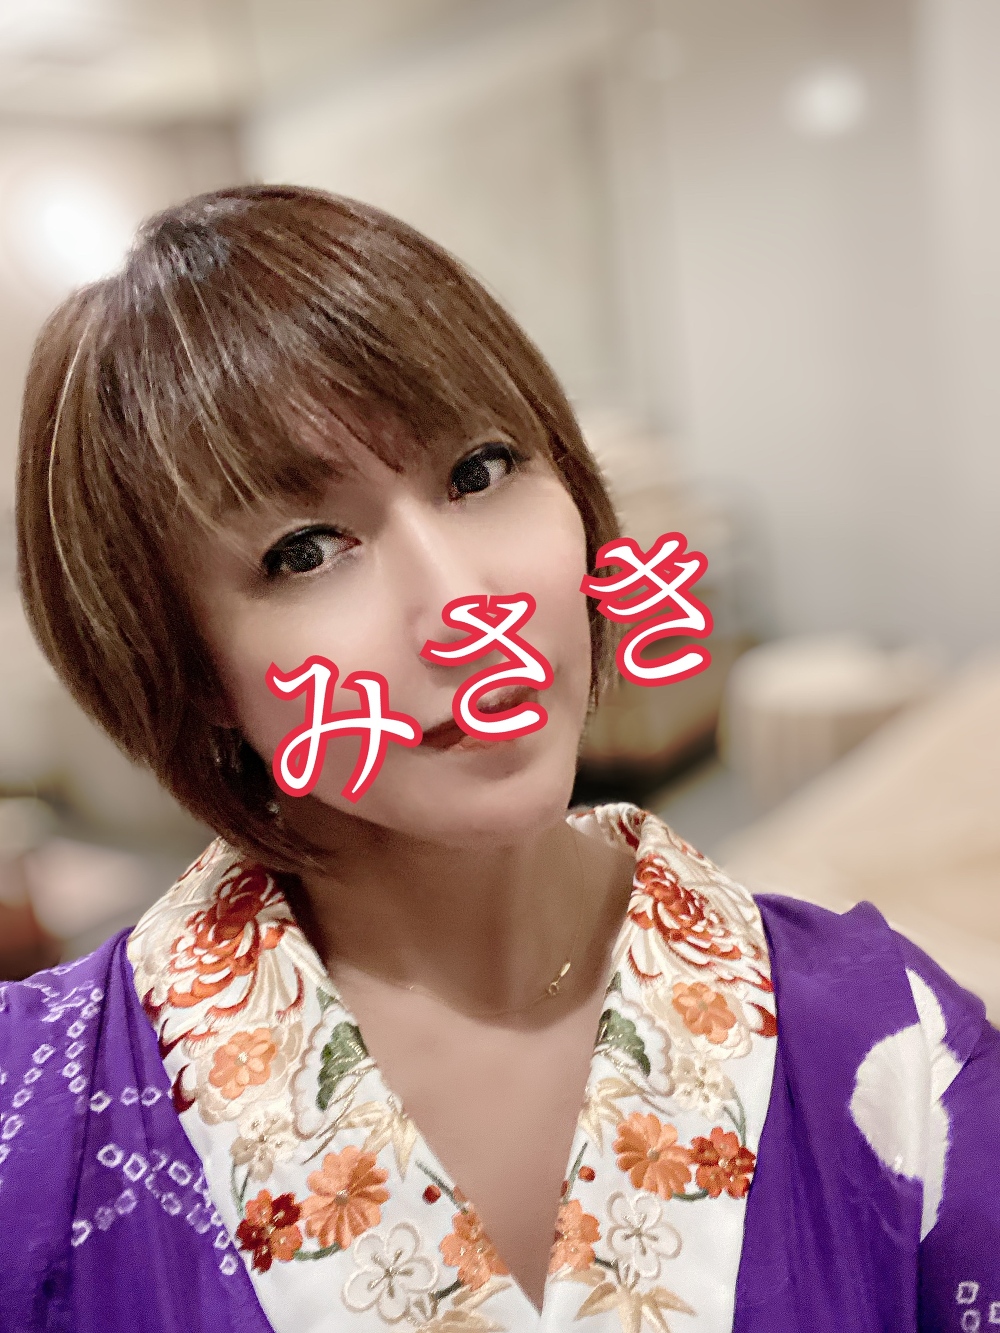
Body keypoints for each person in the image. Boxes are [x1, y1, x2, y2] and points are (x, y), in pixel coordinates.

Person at [2, 185, 997, 1333]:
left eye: (478, 472)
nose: (466, 605)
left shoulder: (890, 1045)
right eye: (305, 549)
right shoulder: (34, 1127)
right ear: (189, 670)